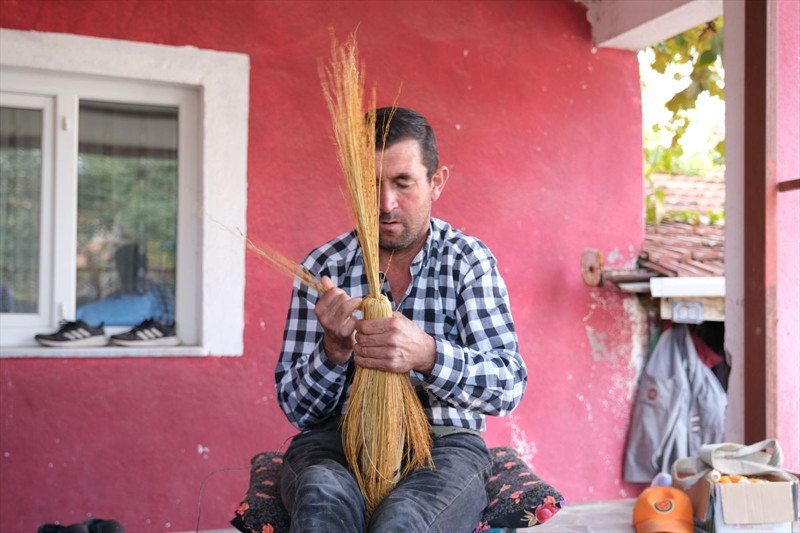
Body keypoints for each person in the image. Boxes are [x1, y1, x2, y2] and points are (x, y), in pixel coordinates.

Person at [275, 107, 527, 533]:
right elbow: (296, 409)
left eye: (402, 183)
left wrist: (428, 354)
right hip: (338, 442)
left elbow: (508, 386)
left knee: (405, 522)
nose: (385, 204)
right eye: (371, 184)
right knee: (321, 501)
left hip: (444, 443)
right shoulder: (324, 268)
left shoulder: (467, 261)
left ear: (436, 182)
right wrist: (333, 351)